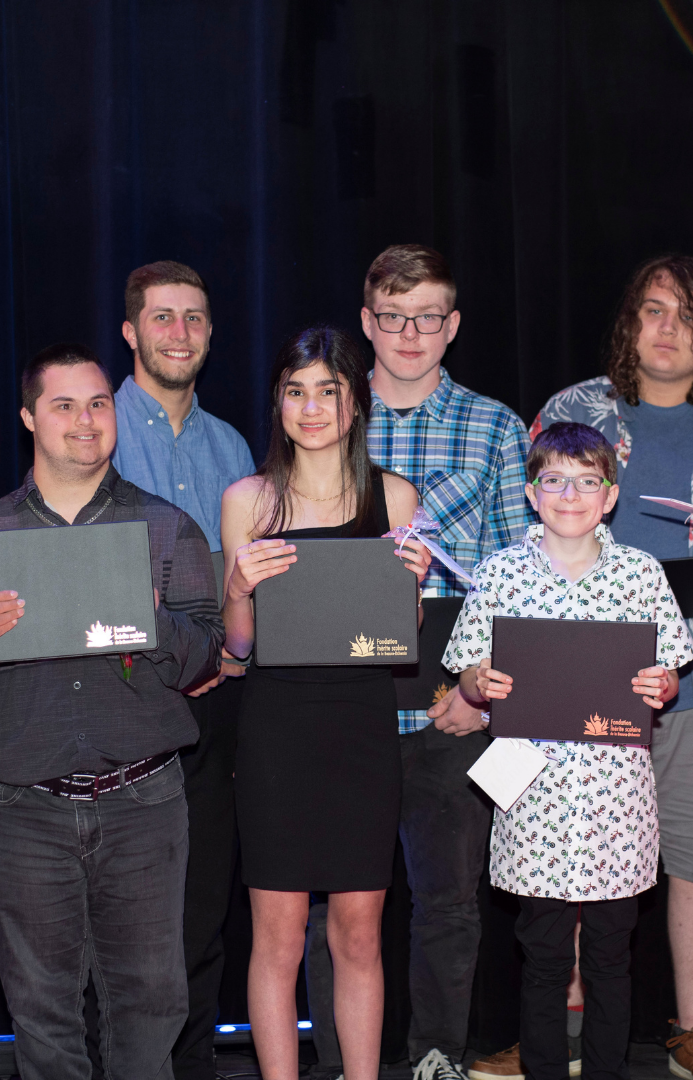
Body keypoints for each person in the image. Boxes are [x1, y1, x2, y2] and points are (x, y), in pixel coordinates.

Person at [515, 255, 693, 1080]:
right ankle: (564, 1030)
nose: (666, 328)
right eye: (653, 309)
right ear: (630, 321)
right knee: (571, 857)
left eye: (687, 315)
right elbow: (523, 534)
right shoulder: (572, 410)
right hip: (569, 685)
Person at [443, 422, 693, 1080]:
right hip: (533, 797)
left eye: (587, 482)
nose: (569, 494)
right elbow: (466, 673)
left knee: (611, 956)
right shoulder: (500, 573)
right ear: (532, 493)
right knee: (545, 956)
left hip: (617, 796)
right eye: (554, 480)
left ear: (609, 497)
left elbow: (671, 672)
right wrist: (479, 682)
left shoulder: (640, 573)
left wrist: (662, 685)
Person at [0, 344, 223, 1080]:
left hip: (143, 802)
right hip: (24, 807)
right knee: (40, 1008)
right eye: (64, 405)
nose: (86, 420)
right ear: (29, 417)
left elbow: (206, 659)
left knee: (151, 1004)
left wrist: (152, 618)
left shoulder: (166, 527)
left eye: (98, 403)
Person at [220, 326, 431, 1080]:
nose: (311, 408)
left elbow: (402, 638)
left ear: (355, 403)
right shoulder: (247, 499)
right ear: (278, 403)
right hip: (277, 730)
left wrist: (411, 585)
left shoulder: (394, 495)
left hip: (362, 729)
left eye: (328, 391)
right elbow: (238, 647)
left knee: (360, 934)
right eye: (296, 391)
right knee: (276, 939)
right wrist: (237, 588)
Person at [352, 243, 532, 1080]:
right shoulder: (327, 414)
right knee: (337, 895)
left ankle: (435, 1056)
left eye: (427, 318)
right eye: (393, 317)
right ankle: (346, 1061)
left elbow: (516, 575)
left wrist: (481, 695)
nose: (410, 334)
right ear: (367, 322)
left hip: (451, 687)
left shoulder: (495, 426)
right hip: (347, 686)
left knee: (449, 897)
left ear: (452, 325)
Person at [111, 259, 256, 1080]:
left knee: (202, 900)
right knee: (124, 906)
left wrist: (231, 651)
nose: (179, 332)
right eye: (162, 317)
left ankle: (192, 1062)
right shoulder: (97, 428)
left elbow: (246, 575)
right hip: (126, 693)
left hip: (219, 699)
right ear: (130, 331)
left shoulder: (231, 444)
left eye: (194, 317)